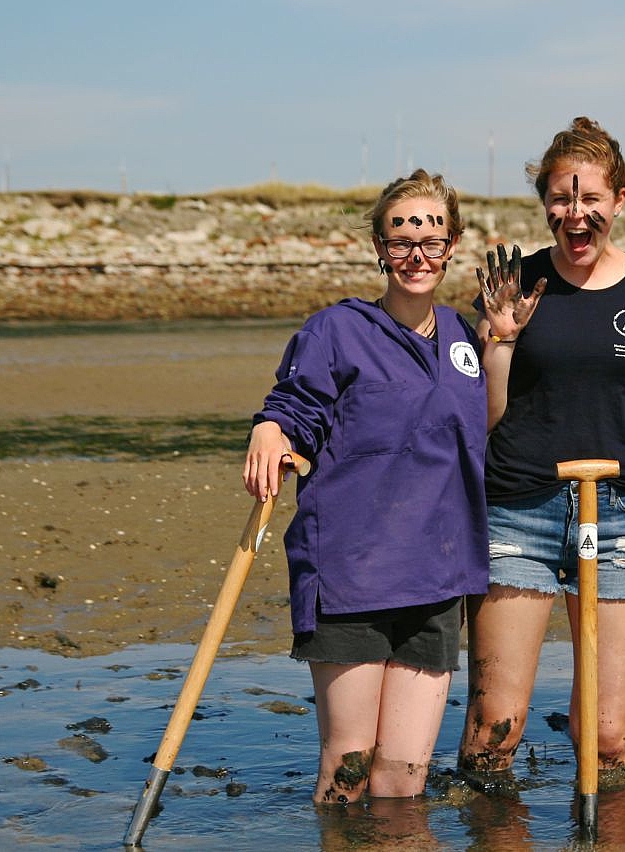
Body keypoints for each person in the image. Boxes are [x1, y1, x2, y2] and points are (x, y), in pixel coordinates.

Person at [458, 116, 625, 777]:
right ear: (546, 203)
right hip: (518, 511)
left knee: (606, 739)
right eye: (562, 199)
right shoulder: (514, 285)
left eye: (590, 199)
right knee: (494, 730)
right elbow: (480, 417)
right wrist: (502, 341)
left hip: (619, 516)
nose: (576, 213)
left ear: (618, 201)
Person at [243, 169, 489, 803]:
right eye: (401, 238)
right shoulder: (336, 330)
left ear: (452, 245)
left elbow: (488, 425)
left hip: (436, 576)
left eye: (431, 239)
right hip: (352, 571)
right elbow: (297, 404)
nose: (416, 254)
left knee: (404, 782)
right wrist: (271, 430)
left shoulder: (464, 337)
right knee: (349, 769)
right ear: (380, 247)